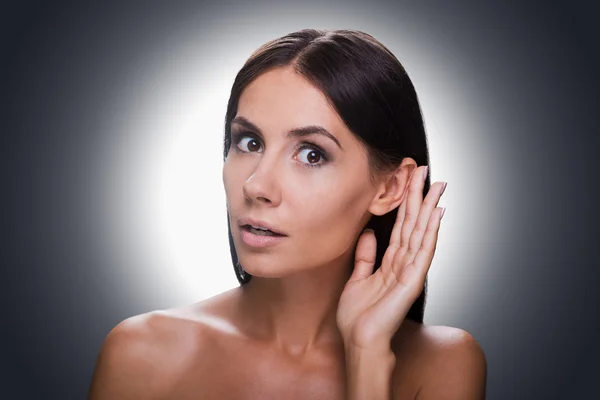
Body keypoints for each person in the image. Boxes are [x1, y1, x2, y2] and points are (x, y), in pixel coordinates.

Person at [88, 28, 487, 399]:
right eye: (249, 142)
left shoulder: (442, 365)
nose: (257, 186)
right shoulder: (142, 353)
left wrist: (366, 358)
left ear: (390, 188)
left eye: (312, 154)